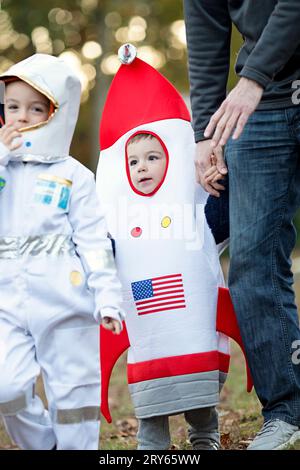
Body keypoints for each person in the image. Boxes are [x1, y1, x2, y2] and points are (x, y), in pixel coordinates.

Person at [97, 46, 230, 450]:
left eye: (153, 157)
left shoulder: (192, 205)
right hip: (147, 324)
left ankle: (204, 434)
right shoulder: (115, 218)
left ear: (171, 159)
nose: (143, 167)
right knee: (151, 395)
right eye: (133, 161)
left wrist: (218, 174)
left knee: (198, 387)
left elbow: (221, 220)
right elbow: (96, 252)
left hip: (193, 323)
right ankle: (151, 442)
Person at [184, 0, 300, 450]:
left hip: (257, 86)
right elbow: (205, 33)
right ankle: (286, 411)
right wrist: (204, 134)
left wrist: (253, 77)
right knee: (251, 263)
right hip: (262, 106)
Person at [0, 53, 124, 450]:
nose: (21, 117)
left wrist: (107, 297)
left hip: (66, 304)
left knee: (75, 399)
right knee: (6, 388)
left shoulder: (74, 176)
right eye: (12, 106)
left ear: (56, 112)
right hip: (6, 307)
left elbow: (94, 240)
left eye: (35, 108)